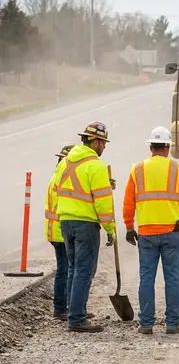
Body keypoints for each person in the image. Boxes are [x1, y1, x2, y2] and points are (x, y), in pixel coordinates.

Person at [123, 126, 179, 334]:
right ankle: (173, 323)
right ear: (168, 147)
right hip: (171, 232)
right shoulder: (178, 169)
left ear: (151, 148)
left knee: (146, 277)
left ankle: (146, 324)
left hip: (146, 232)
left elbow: (129, 202)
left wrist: (129, 227)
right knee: (172, 277)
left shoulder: (137, 170)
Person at [54, 122, 116, 333]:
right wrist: (110, 228)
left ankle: (74, 310)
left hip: (65, 221)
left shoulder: (66, 162)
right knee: (84, 270)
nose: (104, 147)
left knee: (73, 268)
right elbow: (102, 202)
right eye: (103, 143)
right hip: (85, 224)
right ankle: (77, 318)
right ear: (95, 142)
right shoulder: (95, 166)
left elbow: (56, 188)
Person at [47, 144, 98, 322]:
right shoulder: (58, 181)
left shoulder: (60, 178)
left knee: (69, 270)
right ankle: (64, 308)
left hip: (62, 231)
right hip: (61, 232)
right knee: (67, 270)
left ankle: (72, 308)